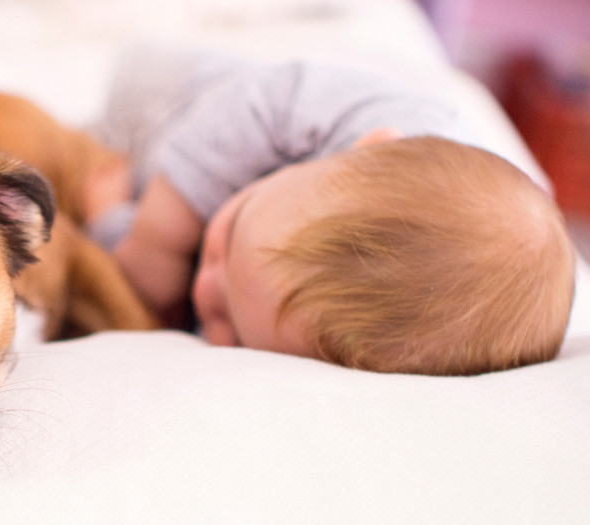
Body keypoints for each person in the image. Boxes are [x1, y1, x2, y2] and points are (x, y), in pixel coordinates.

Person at [83, 45, 575, 375]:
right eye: (226, 239)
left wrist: (109, 222)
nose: (204, 289)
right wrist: (156, 243)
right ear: (365, 148)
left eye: (228, 326)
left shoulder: (399, 340)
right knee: (143, 73)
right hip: (189, 99)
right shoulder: (380, 124)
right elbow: (266, 98)